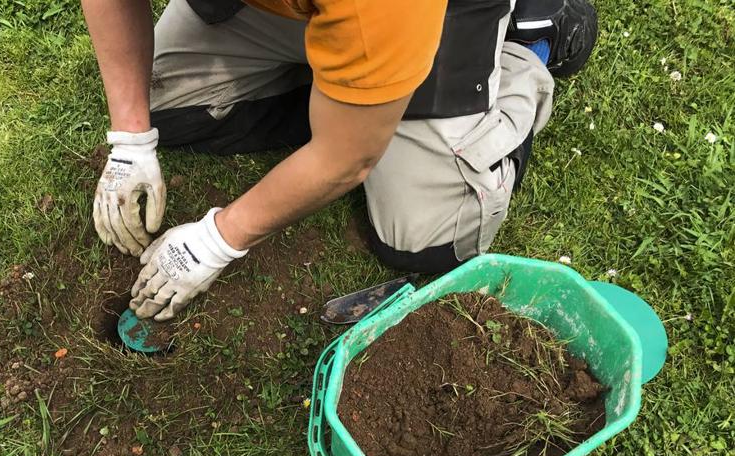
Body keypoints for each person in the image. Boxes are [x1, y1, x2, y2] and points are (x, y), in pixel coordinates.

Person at [82, 0, 598, 321]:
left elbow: (348, 158)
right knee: (164, 107)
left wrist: (217, 240)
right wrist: (131, 139)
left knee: (428, 239)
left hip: (432, 17)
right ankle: (349, 85)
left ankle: (527, 43)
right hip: (304, 10)